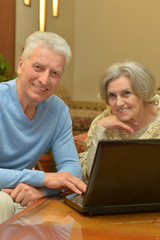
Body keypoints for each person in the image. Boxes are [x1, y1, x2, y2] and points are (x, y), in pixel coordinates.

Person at [0, 31, 86, 224]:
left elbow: (72, 171)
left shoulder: (57, 110)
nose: (44, 80)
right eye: (38, 67)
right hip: (4, 198)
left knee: (63, 216)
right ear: (21, 65)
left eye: (54, 73)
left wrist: (40, 190)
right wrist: (43, 178)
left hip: (21, 194)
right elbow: (53, 178)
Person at [80, 61, 160, 183]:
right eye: (112, 95)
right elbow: (92, 178)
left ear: (142, 92)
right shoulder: (103, 122)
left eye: (126, 93)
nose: (118, 103)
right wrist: (100, 128)